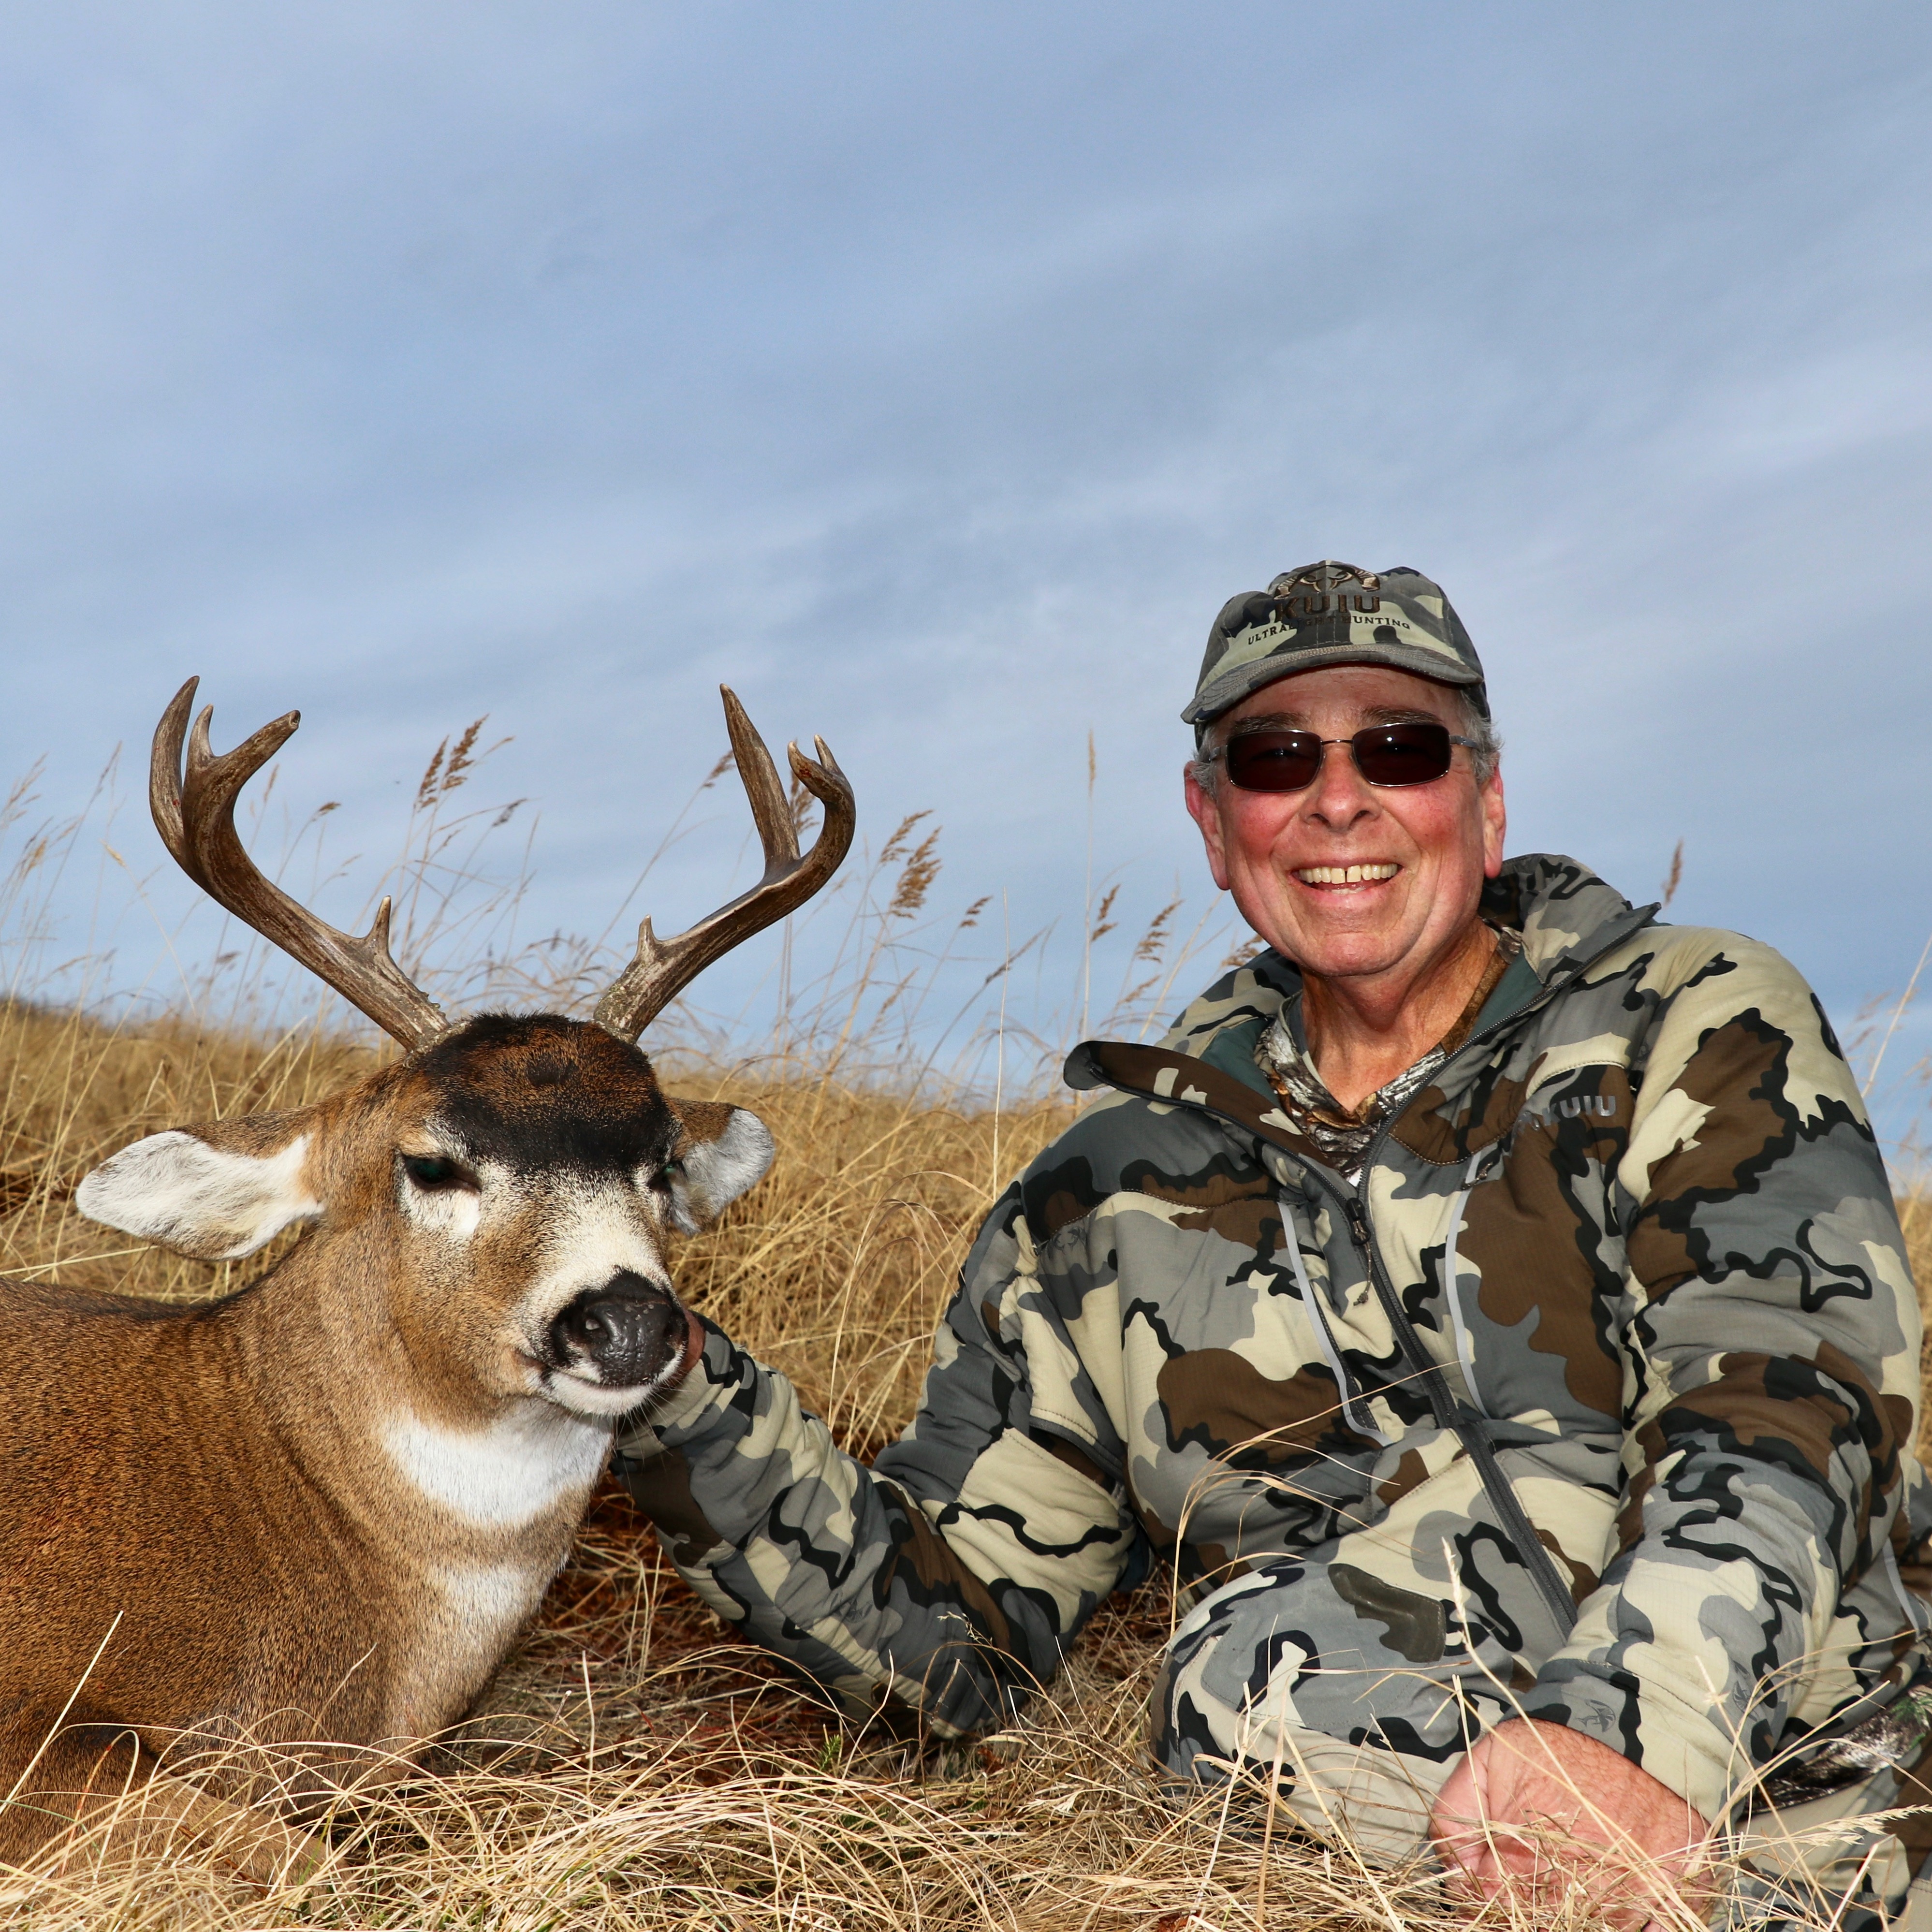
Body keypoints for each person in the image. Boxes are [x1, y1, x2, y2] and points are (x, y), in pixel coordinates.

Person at [616, 561, 1932, 1928]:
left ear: (1484, 798)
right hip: (1376, 1828)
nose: (1337, 796)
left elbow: (1785, 1403)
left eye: (1399, 748)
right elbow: (954, 1639)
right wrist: (676, 1393)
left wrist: (1627, 1738)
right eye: (1274, 756)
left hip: (1784, 1777)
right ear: (1211, 817)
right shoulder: (1103, 1196)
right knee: (1242, 1684)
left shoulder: (1693, 1022)